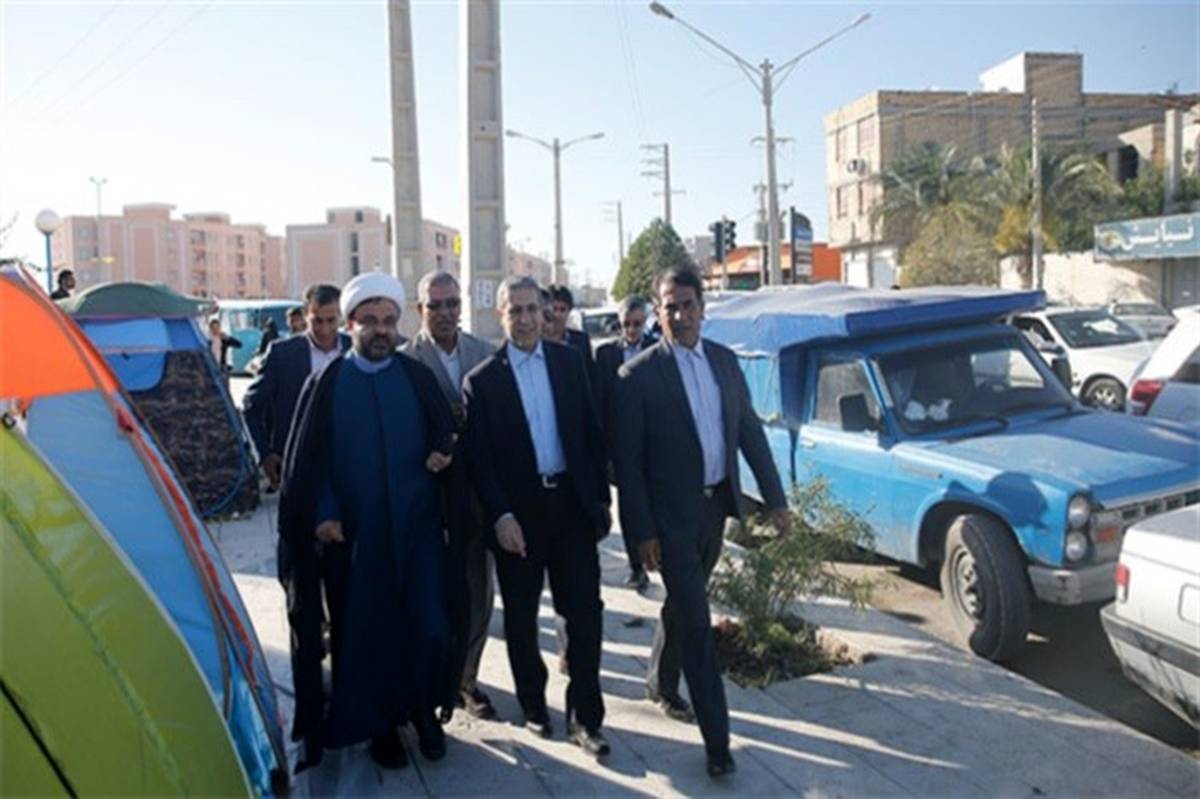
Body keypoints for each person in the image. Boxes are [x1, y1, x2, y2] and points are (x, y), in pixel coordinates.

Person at [613, 267, 789, 779]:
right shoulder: (638, 376)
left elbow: (749, 433)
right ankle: (718, 741)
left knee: (683, 604)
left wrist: (776, 500)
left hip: (715, 512)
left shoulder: (725, 363)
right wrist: (641, 533)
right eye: (670, 306)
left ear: (702, 308)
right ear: (658, 311)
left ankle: (659, 681)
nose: (680, 315)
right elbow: (629, 466)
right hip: (669, 519)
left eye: (688, 304)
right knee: (696, 622)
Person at [278, 272, 457, 770]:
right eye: (370, 321)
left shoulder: (416, 376)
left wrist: (443, 450)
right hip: (358, 539)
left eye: (388, 321)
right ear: (350, 324)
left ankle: (423, 712)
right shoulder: (329, 382)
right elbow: (310, 463)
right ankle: (381, 728)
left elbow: (445, 430)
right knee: (368, 635)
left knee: (428, 625)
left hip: (418, 532)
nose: (381, 330)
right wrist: (325, 512)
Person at [463, 275, 612, 759]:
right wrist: (501, 516)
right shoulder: (483, 381)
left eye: (533, 309)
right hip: (519, 518)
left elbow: (591, 434)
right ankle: (533, 703)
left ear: (544, 312)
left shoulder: (570, 363)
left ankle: (586, 718)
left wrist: (600, 503)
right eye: (516, 311)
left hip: (570, 508)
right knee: (522, 619)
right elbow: (481, 462)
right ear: (501, 315)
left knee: (584, 614)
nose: (526, 319)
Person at [401, 271, 497, 721]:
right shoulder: (405, 361)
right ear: (419, 309)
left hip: (476, 497)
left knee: (478, 593)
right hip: (428, 499)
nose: (444, 313)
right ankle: (431, 680)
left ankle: (466, 680)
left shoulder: (484, 353)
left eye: (452, 303)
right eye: (434, 305)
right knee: (431, 596)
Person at [242, 284, 349, 491]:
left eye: (331, 320)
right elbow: (250, 406)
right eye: (317, 321)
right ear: (305, 316)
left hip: (347, 463)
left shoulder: (356, 350)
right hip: (296, 466)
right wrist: (264, 454)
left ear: (341, 317)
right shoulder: (282, 354)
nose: (325, 330)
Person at [594, 295, 655, 591]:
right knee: (630, 505)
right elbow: (600, 400)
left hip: (653, 442)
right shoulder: (606, 354)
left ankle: (657, 555)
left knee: (656, 503)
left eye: (637, 324)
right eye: (626, 324)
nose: (631, 330)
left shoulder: (657, 349)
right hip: (621, 444)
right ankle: (636, 566)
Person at [543, 284, 595, 382]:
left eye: (562, 310)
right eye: (554, 309)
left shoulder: (581, 341)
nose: (557, 315)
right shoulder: (537, 342)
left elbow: (590, 377)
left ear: (569, 311)